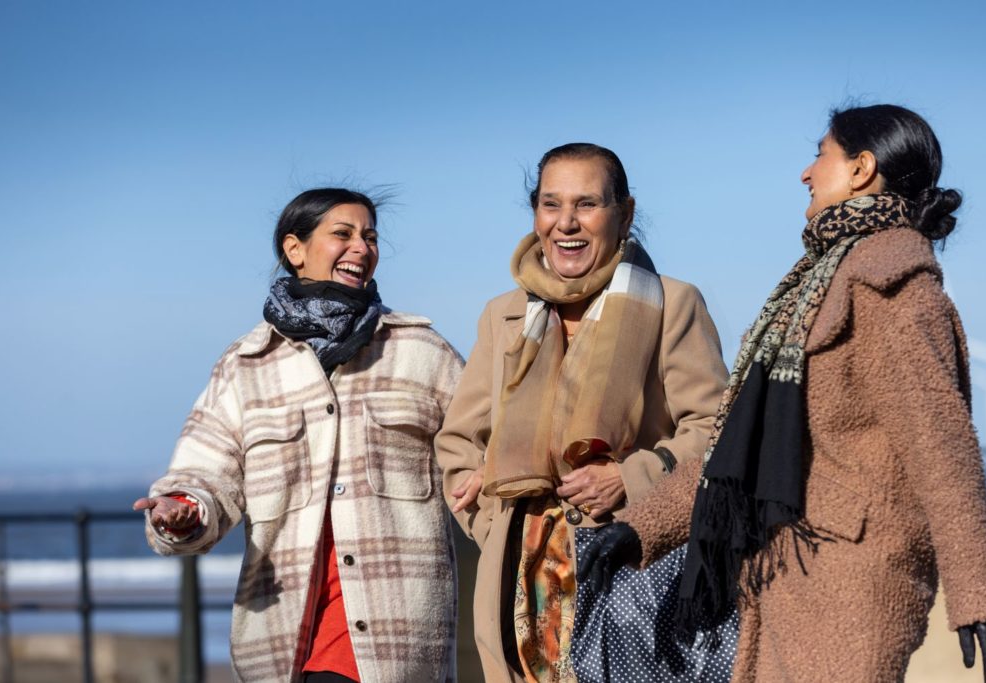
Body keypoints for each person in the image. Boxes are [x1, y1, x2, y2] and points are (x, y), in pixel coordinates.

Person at [580, 104, 986, 682]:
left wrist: (980, 593)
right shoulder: (815, 285)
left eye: (821, 154)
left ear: (861, 169)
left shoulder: (893, 289)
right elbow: (741, 451)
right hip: (784, 570)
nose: (806, 173)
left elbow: (943, 446)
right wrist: (639, 529)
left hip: (857, 580)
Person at [133, 188, 463, 683]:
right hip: (282, 644)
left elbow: (484, 451)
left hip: (400, 646)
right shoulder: (246, 366)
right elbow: (204, 472)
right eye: (343, 234)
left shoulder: (422, 352)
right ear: (295, 249)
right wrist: (183, 510)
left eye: (370, 237)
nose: (362, 247)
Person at [435, 143, 735, 683]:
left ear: (625, 212)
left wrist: (629, 478)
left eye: (587, 204)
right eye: (551, 205)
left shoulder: (674, 303)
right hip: (518, 580)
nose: (566, 223)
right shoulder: (501, 315)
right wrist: (496, 524)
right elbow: (459, 445)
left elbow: (717, 431)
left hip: (629, 566)